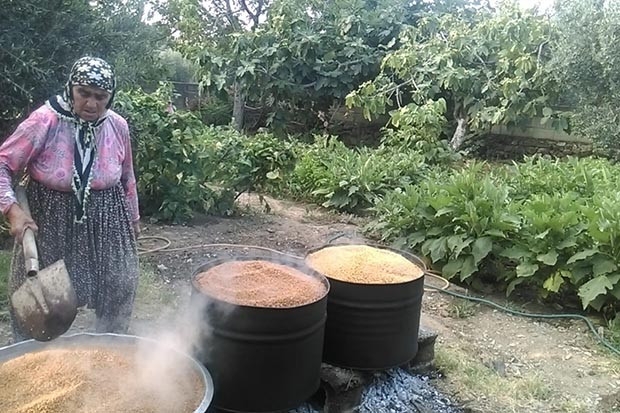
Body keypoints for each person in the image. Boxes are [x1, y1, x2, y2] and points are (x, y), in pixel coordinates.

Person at [0, 56, 140, 342]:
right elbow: (3, 164)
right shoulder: (45, 120)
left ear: (110, 97)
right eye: (84, 94)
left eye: (100, 97)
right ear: (71, 89)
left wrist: (133, 219)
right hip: (51, 216)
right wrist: (12, 210)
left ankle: (109, 354)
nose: (91, 104)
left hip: (108, 217)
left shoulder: (117, 126)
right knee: (38, 299)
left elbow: (127, 177)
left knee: (119, 283)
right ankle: (30, 363)